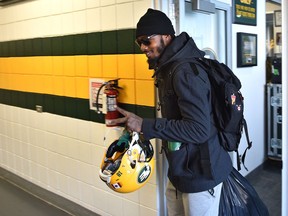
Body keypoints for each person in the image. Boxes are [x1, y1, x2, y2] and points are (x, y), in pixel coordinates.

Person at [107, 8, 233, 216]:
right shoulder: (168, 68)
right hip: (181, 168)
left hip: (202, 173)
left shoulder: (184, 71)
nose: (143, 47)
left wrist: (145, 125)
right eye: (139, 42)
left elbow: (199, 129)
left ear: (166, 36)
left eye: (147, 40)